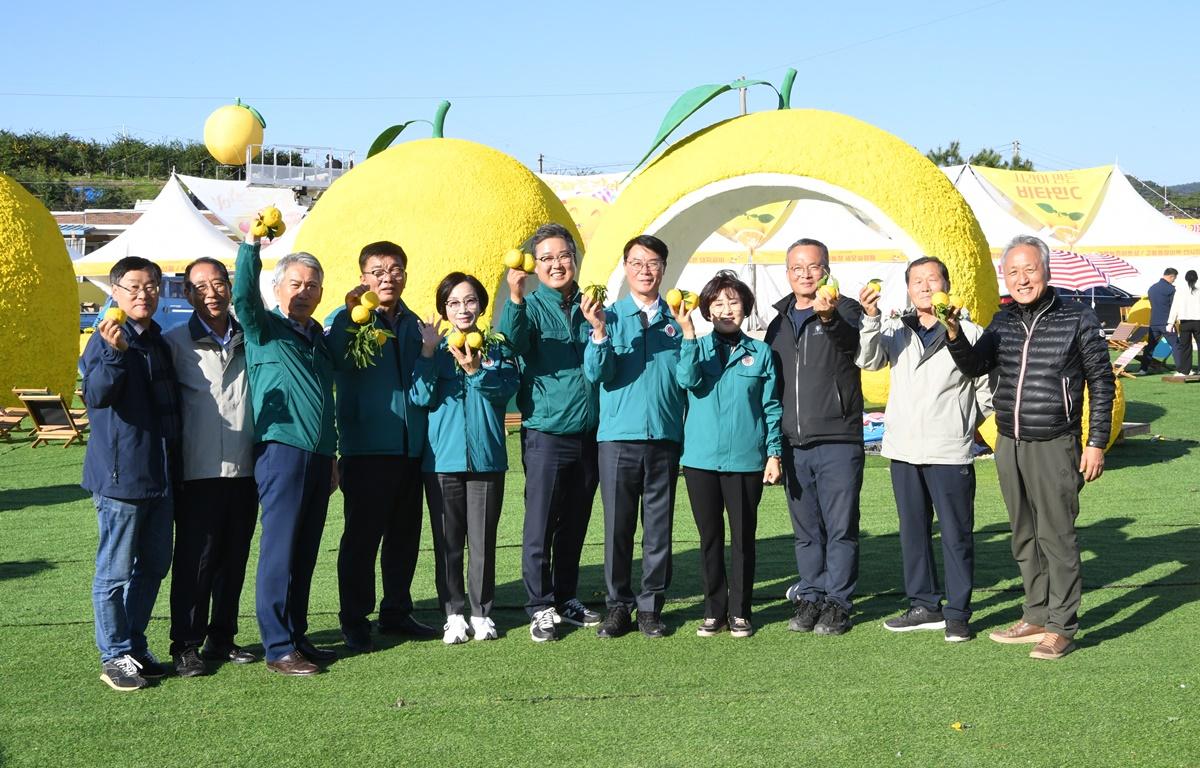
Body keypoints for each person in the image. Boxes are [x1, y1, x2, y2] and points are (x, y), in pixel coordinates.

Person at [945, 235, 1114, 660]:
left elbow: (1102, 381)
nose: (1021, 279)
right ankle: (1036, 614)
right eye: (1013, 272)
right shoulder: (1002, 322)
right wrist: (953, 333)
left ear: (1046, 271)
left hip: (1055, 443)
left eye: (1029, 269)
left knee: (1057, 537)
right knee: (1023, 535)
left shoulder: (1078, 318)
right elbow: (974, 366)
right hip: (1009, 442)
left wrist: (1095, 442)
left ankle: (1062, 626)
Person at [856, 257, 992, 642]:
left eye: (933, 279)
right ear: (908, 289)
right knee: (913, 532)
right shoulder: (897, 330)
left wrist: (962, 424)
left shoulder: (969, 331)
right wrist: (869, 316)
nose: (925, 286)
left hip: (949, 450)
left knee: (956, 533)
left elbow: (987, 390)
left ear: (948, 284)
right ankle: (923, 605)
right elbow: (867, 359)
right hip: (903, 448)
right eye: (917, 281)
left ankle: (958, 613)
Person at [233, 233, 338, 676]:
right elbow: (242, 297)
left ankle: (296, 633)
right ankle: (277, 647)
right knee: (279, 551)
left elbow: (326, 401)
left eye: (312, 285)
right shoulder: (263, 328)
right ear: (277, 288)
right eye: (295, 283)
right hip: (282, 451)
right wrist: (250, 247)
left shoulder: (318, 336)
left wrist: (332, 456)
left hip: (318, 456)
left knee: (306, 550)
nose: (304, 292)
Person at [327, 241, 437, 653]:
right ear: (363, 277)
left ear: (405, 275)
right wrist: (357, 314)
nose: (387, 277)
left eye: (395, 269)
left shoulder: (415, 323)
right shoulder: (347, 319)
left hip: (411, 451)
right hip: (366, 451)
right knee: (361, 539)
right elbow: (337, 357)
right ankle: (354, 619)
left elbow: (423, 382)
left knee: (404, 537)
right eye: (377, 271)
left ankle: (396, 611)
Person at [496, 223, 601, 643]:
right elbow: (514, 343)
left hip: (590, 432)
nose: (557, 264)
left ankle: (566, 595)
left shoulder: (591, 304)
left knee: (575, 521)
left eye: (563, 256)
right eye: (546, 258)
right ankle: (540, 606)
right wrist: (516, 297)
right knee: (540, 523)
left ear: (575, 260)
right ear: (534, 266)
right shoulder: (529, 306)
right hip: (546, 432)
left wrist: (597, 324)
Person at [81, 256, 181, 691]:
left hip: (160, 474)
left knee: (155, 564)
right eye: (135, 287)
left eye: (152, 286)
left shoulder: (157, 339)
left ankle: (134, 647)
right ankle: (114, 654)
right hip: (121, 477)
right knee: (115, 570)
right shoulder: (105, 339)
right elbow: (97, 395)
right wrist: (117, 355)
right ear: (115, 292)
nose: (145, 294)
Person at [582, 234, 685, 639]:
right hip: (618, 440)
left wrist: (689, 332)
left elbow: (688, 378)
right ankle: (617, 605)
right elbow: (596, 374)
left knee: (658, 528)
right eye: (638, 262)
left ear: (663, 268)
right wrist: (599, 334)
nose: (645, 270)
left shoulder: (677, 321)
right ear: (625, 268)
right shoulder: (607, 316)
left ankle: (650, 607)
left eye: (654, 262)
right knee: (617, 528)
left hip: (663, 437)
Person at [765, 238, 865, 637]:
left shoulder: (844, 309)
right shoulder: (779, 321)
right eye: (796, 268)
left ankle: (838, 603)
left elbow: (852, 343)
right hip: (793, 444)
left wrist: (828, 318)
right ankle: (811, 594)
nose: (805, 274)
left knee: (840, 527)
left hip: (838, 438)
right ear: (787, 272)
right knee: (807, 531)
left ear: (826, 268)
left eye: (813, 266)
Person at [412, 273, 519, 645]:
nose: (463, 309)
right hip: (442, 461)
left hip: (488, 460)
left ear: (481, 305)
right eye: (454, 303)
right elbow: (419, 397)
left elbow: (507, 390)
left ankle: (481, 612)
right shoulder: (433, 349)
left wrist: (475, 371)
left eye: (470, 301)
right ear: (444, 308)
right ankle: (454, 613)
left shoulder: (497, 348)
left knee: (484, 540)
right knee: (448, 541)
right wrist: (427, 354)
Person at [163, 258, 257, 677]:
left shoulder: (252, 337)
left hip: (246, 468)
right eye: (201, 286)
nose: (212, 292)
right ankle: (185, 643)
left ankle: (222, 636)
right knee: (195, 561)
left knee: (234, 558)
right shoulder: (173, 342)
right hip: (197, 470)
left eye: (218, 283)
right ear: (187, 294)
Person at [675, 271, 782, 639]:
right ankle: (714, 610)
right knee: (709, 538)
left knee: (742, 539)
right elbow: (686, 380)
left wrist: (773, 454)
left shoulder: (761, 353)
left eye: (733, 302)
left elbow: (771, 407)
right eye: (717, 303)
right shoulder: (695, 347)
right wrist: (688, 335)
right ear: (706, 309)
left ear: (746, 308)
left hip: (746, 461)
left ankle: (740, 611)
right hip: (700, 460)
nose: (726, 309)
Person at [1139, 268, 1178, 373]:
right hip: (1167, 322)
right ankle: (1181, 368)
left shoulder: (1152, 288)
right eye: (1174, 278)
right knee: (1176, 345)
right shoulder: (1171, 289)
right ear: (1171, 276)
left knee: (1150, 346)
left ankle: (1143, 369)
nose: (1174, 281)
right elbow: (1173, 307)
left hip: (1154, 322)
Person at [1167, 269, 1200, 377]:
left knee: (1185, 346)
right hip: (1198, 322)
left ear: (1186, 279)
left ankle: (1185, 370)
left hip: (1185, 322)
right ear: (1197, 279)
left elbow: (1174, 307)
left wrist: (1170, 323)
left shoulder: (1180, 290)